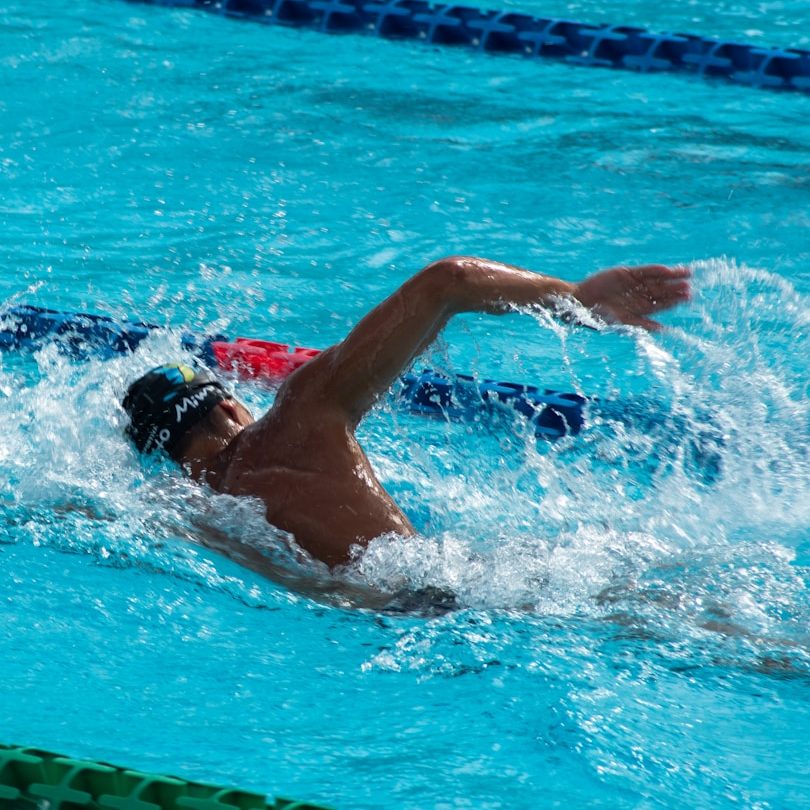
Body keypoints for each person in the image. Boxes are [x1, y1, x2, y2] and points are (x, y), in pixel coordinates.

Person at [122, 256, 691, 568]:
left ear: (162, 454)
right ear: (230, 401)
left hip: (374, 624)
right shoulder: (298, 417)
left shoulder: (188, 514)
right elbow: (448, 282)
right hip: (457, 593)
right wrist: (576, 298)